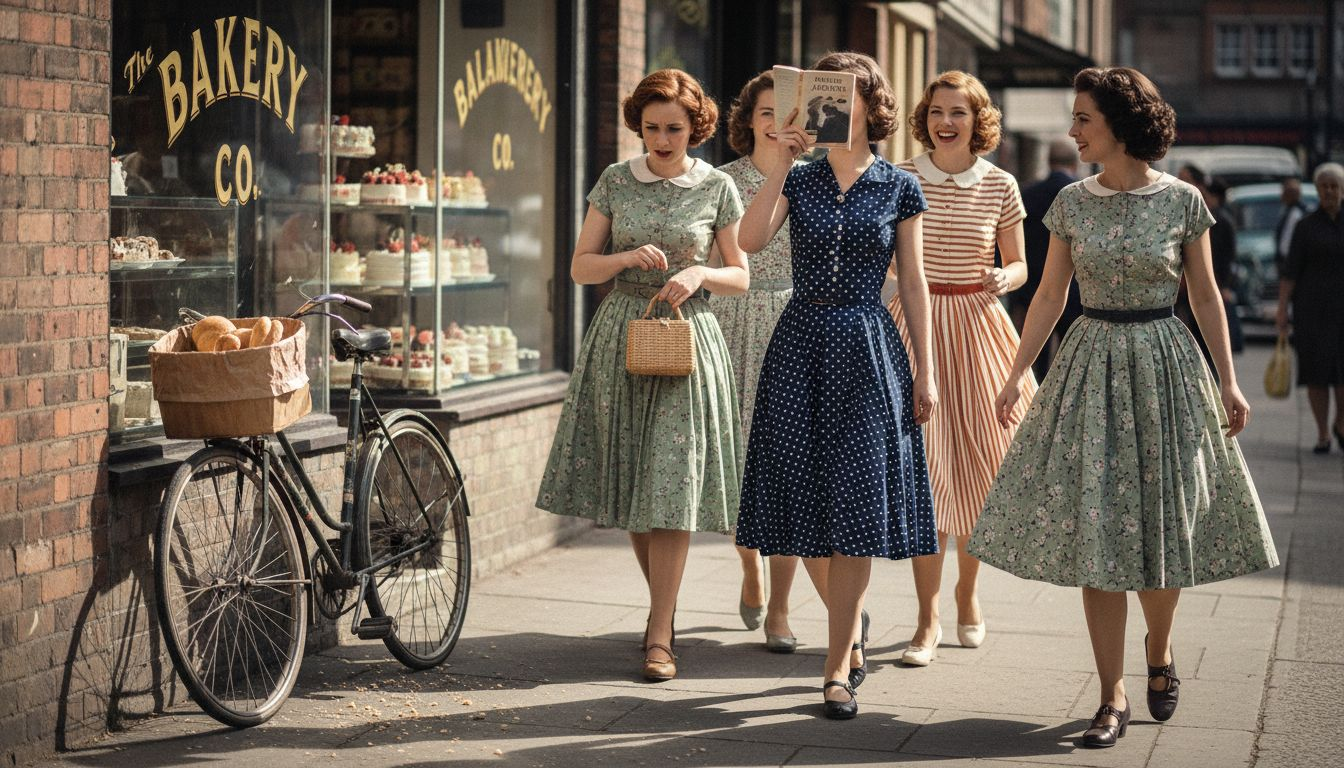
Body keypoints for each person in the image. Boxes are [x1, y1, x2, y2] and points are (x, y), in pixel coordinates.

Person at [969, 67, 1278, 750]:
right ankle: (1110, 697)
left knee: (1160, 527)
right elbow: (1048, 296)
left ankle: (1159, 649)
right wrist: (1015, 373)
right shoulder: (1072, 203)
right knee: (1098, 533)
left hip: (1165, 365)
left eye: (1083, 118)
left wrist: (1229, 380)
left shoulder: (1183, 201)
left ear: (1119, 123)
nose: (1072, 131)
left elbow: (1204, 297)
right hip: (1089, 364)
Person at [735, 51, 938, 720]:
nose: (831, 107)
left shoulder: (899, 186)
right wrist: (784, 163)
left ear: (867, 103)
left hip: (866, 348)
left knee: (855, 502)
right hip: (799, 345)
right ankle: (850, 630)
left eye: (842, 95)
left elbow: (913, 284)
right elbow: (750, 238)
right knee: (800, 501)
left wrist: (926, 372)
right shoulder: (802, 178)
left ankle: (835, 666)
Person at [535, 69, 750, 683]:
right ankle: (666, 607)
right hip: (621, 332)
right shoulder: (613, 182)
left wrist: (700, 274)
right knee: (634, 482)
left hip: (689, 339)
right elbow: (579, 268)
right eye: (652, 127)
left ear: (696, 127)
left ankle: (659, 633)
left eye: (674, 129)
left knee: (673, 484)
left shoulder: (716, 188)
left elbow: (742, 273)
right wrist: (626, 258)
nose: (661, 139)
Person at [887, 70, 1033, 666]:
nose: (947, 122)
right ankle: (926, 620)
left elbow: (1021, 264)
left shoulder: (1000, 184)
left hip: (977, 330)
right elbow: (881, 255)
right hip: (912, 326)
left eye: (961, 113)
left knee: (980, 473)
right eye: (939, 111)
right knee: (925, 475)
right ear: (927, 117)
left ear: (979, 122)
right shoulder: (899, 177)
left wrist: (1005, 276)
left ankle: (968, 594)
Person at [712, 70, 814, 651]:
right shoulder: (720, 180)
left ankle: (780, 608)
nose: (778, 124)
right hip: (731, 322)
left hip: (792, 322)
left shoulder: (814, 180)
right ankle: (749, 565)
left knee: (788, 469)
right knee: (736, 465)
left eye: (788, 113)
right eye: (767, 113)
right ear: (748, 120)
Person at [1276, 162, 1344, 454]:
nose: (1329, 191)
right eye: (1324, 186)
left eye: (1334, 185)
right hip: (1312, 312)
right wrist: (1282, 311)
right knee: (1317, 374)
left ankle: (1341, 423)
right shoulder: (1305, 226)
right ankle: (1322, 434)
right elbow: (1290, 272)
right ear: (1316, 190)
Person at [1016, 138, 1083, 380]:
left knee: (1037, 363)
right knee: (1071, 362)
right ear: (1074, 164)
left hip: (1033, 289)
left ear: (1048, 162)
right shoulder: (1083, 197)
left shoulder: (1028, 194)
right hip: (1075, 291)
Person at [1275, 176, 1308, 273]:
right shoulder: (1288, 211)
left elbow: (1288, 242)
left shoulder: (1297, 214)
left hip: (1291, 264)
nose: (1281, 195)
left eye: (1284, 192)